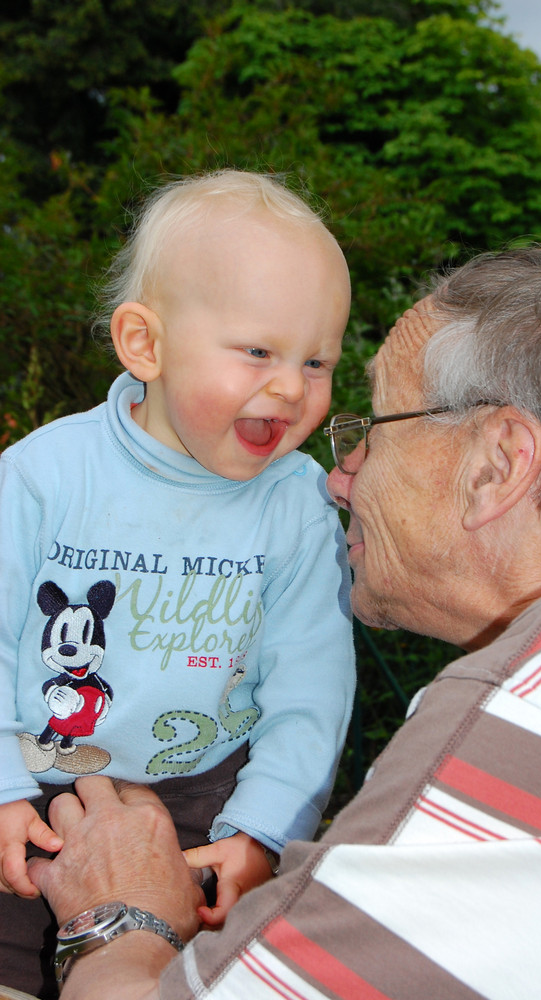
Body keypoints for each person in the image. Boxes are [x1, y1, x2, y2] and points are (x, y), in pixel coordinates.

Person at [25, 245, 541, 998]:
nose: (337, 474)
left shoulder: (522, 714)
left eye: (375, 427)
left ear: (498, 464)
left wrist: (119, 915)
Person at [0, 170, 356, 997]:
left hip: (205, 805)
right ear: (144, 345)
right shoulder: (44, 476)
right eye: (259, 351)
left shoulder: (297, 503)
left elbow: (312, 687)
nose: (291, 386)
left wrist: (261, 830)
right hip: (33, 789)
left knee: (176, 982)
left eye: (317, 360)